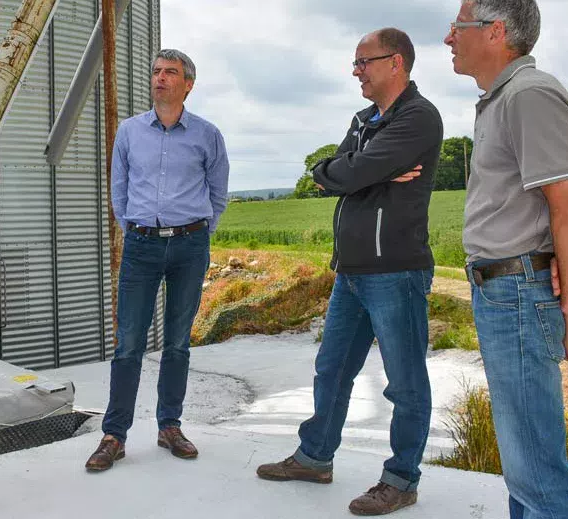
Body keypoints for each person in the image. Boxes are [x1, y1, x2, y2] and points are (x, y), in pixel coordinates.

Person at [256, 28, 443, 516]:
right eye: (355, 63)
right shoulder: (364, 119)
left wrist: (358, 171)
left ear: (396, 62)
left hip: (396, 272)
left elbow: (352, 173)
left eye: (364, 61)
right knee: (332, 369)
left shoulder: (419, 118)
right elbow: (334, 172)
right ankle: (315, 457)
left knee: (404, 383)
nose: (355, 71)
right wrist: (351, 170)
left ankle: (401, 479)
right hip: (351, 272)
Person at [444, 0, 568, 519]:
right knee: (522, 457)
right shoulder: (501, 100)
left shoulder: (529, 95)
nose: (448, 37)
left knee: (534, 461)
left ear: (495, 32)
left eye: (458, 26)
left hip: (519, 290)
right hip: (502, 289)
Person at [84, 49, 229, 471]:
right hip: (142, 246)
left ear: (188, 84)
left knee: (178, 342)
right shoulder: (130, 132)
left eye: (171, 73)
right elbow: (119, 189)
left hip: (189, 246)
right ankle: (114, 435)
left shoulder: (207, 134)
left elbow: (218, 193)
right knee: (128, 343)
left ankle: (170, 427)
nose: (161, 78)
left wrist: (201, 234)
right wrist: (136, 232)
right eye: (156, 71)